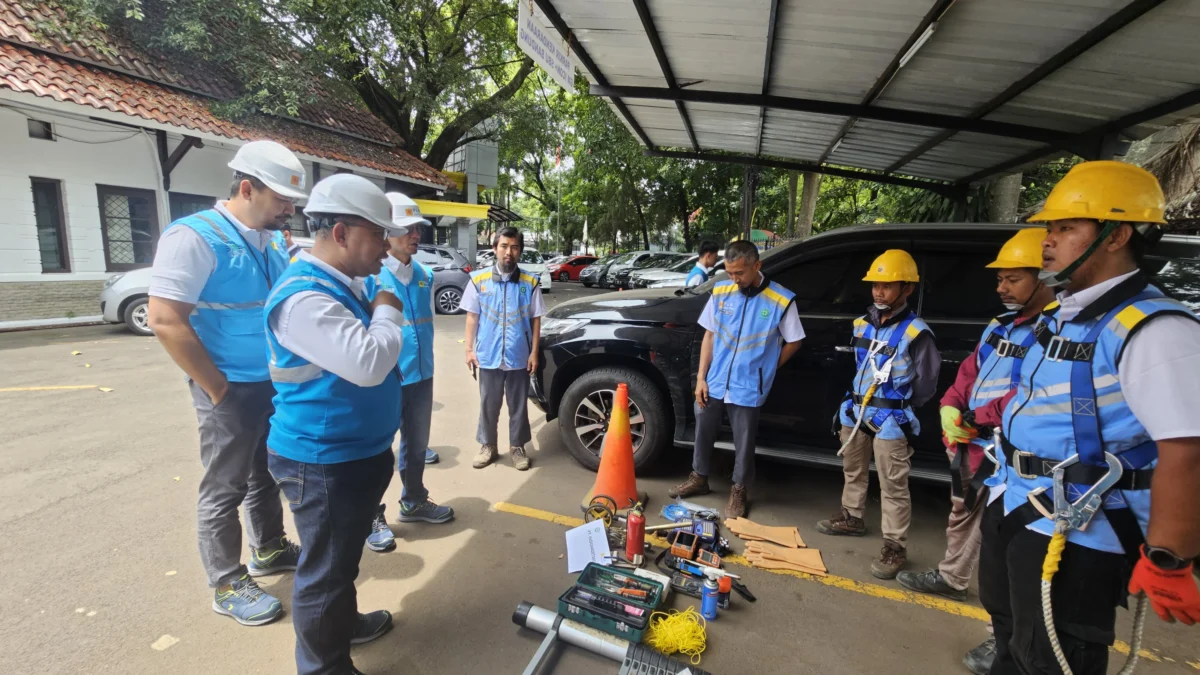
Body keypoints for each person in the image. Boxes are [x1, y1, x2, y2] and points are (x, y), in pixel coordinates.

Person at [979, 160, 1200, 675]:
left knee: (1055, 657)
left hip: (1079, 530)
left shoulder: (1155, 331)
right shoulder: (1063, 316)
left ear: (1117, 234)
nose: (1047, 242)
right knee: (1011, 639)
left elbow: (1187, 451)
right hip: (1014, 501)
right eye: (1049, 229)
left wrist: (1169, 557)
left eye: (1065, 228)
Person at [148, 139, 307, 626]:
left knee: (264, 473)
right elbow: (165, 319)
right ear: (246, 188)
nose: (289, 210)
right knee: (225, 484)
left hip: (269, 383)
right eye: (281, 200)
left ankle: (269, 547)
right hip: (228, 388)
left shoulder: (271, 242)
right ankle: (226, 580)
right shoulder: (194, 237)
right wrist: (217, 389)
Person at [890, 229, 1053, 674]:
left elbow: (1033, 393)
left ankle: (1004, 637)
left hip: (1011, 452)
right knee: (962, 512)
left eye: (1012, 279)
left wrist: (977, 418)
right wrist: (950, 407)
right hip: (972, 444)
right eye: (1000, 279)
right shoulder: (999, 325)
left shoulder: (1052, 331)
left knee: (1012, 550)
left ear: (1045, 278)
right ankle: (951, 577)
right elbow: (970, 372)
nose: (1001, 288)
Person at [264, 173, 407, 675]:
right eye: (378, 235)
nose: (387, 248)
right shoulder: (305, 297)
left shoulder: (343, 284)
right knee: (324, 573)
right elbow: (368, 363)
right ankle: (324, 666)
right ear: (342, 232)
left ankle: (341, 626)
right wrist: (388, 313)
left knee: (340, 562)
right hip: (321, 460)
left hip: (350, 453)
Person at [817, 249, 942, 580]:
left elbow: (926, 383)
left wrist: (898, 407)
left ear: (907, 289)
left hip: (891, 418)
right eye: (875, 285)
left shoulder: (917, 333)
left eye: (887, 286)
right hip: (856, 410)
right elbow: (857, 367)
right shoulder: (861, 324)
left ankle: (894, 546)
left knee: (894, 484)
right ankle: (852, 517)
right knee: (853, 470)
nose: (879, 292)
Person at [667, 240, 805, 517]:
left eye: (739, 273)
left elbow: (795, 341)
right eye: (729, 273)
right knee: (703, 428)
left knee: (744, 440)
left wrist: (768, 368)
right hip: (715, 379)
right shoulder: (721, 290)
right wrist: (701, 379)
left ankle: (739, 490)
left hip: (749, 384)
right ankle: (699, 477)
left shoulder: (781, 300)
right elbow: (710, 334)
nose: (734, 279)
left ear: (757, 265)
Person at [363, 192, 453, 554]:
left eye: (417, 227)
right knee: (376, 451)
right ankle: (370, 514)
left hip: (421, 375)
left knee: (416, 446)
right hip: (385, 378)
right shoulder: (370, 275)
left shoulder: (424, 274)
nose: (415, 234)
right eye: (407, 227)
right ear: (385, 231)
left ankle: (413, 500)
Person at [464, 226, 546, 471]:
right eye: (504, 246)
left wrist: (533, 352)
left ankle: (517, 447)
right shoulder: (478, 281)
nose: (508, 252)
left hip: (519, 356)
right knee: (489, 403)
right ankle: (488, 445)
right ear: (494, 248)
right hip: (488, 355)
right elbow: (471, 317)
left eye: (514, 247)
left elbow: (536, 319)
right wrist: (469, 350)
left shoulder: (530, 282)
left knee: (518, 404)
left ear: (519, 251)